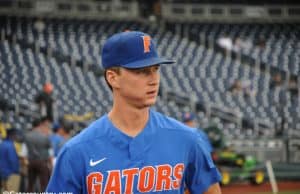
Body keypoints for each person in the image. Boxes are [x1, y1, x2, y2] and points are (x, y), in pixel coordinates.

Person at [46, 31, 222, 194]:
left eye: (156, 69)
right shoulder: (76, 151)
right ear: (113, 78)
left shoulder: (187, 139)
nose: (153, 80)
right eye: (142, 71)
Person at [25, 117, 53, 192]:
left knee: (30, 184)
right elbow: (50, 152)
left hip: (31, 162)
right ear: (40, 125)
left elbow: (23, 152)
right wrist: (51, 165)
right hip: (42, 162)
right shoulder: (45, 136)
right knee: (44, 184)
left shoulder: (27, 136)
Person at [0, 128, 21, 192]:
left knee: (3, 191)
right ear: (12, 135)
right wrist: (17, 171)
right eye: (16, 135)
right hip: (10, 174)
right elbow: (13, 160)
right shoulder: (10, 146)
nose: (17, 136)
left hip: (2, 173)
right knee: (11, 191)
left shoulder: (2, 144)